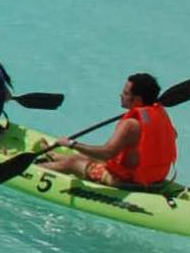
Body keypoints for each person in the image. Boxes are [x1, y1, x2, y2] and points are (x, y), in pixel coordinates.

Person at [37, 73, 178, 187]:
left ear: (137, 100)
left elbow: (107, 153)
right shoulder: (159, 113)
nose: (121, 95)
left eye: (125, 93)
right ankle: (56, 157)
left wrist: (72, 144)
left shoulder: (130, 124)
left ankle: (31, 171)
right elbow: (171, 136)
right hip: (155, 176)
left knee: (73, 163)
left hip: (128, 181)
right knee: (86, 157)